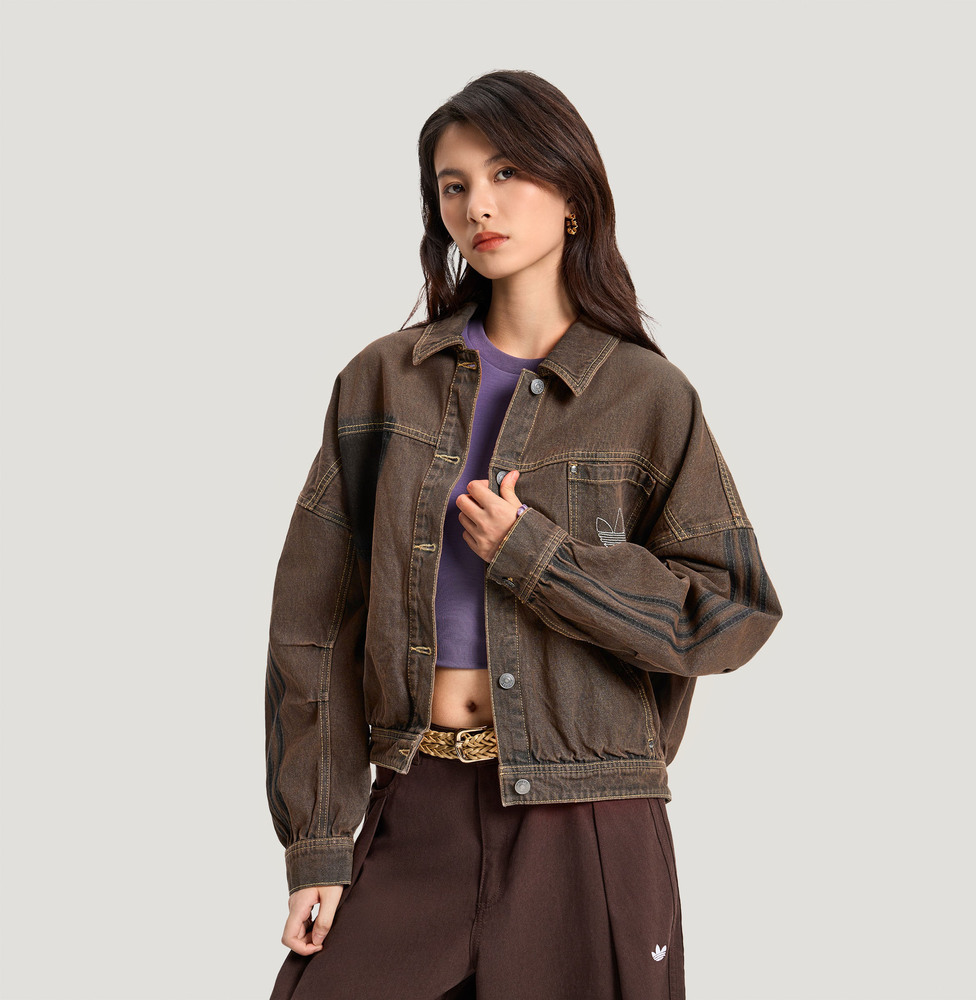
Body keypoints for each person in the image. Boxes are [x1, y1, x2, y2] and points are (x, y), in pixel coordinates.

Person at [265, 69, 782, 1000]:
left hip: (589, 818)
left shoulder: (648, 397)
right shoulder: (383, 382)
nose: (478, 205)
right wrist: (319, 843)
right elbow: (314, 628)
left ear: (574, 194)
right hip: (414, 800)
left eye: (506, 173)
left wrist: (541, 561)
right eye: (454, 184)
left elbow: (732, 611)